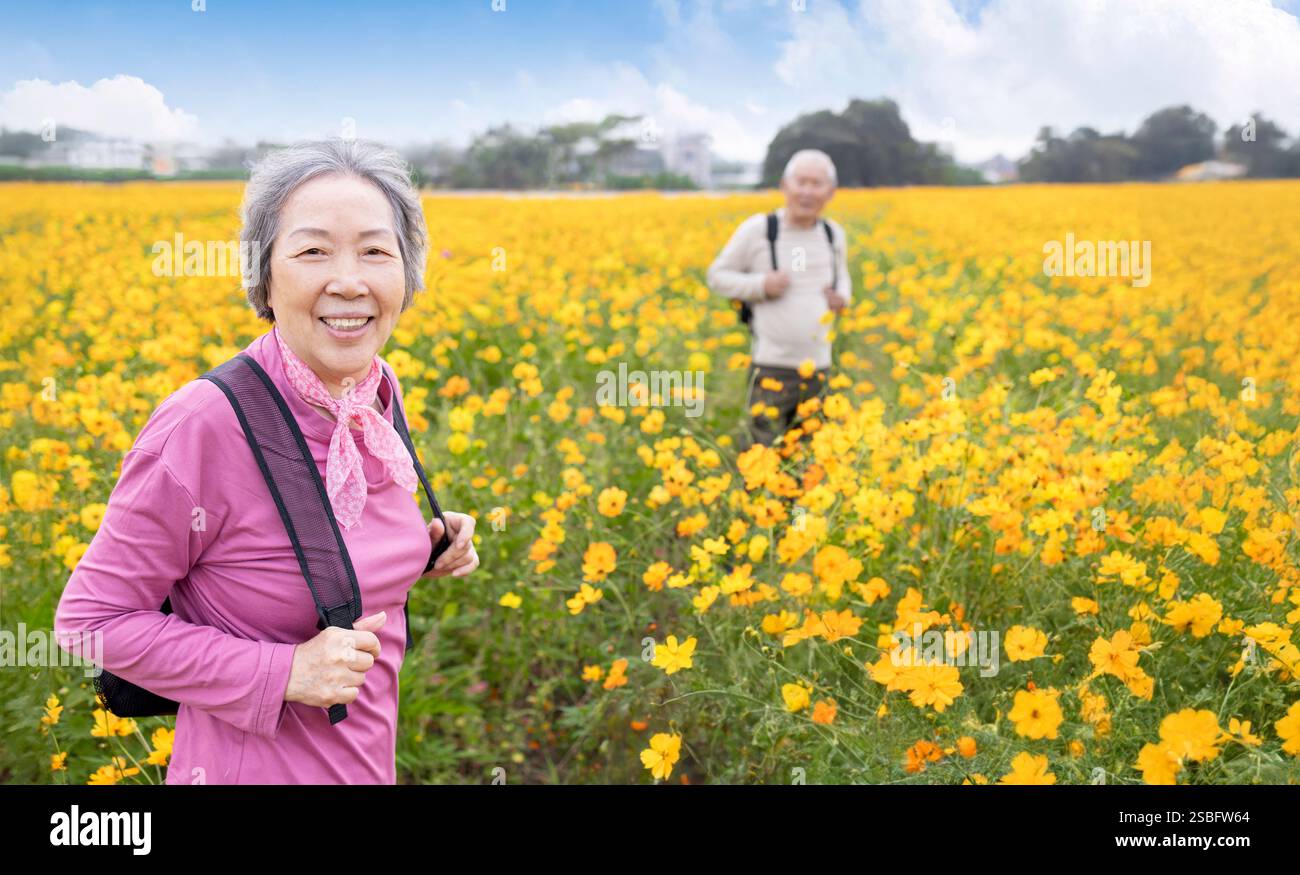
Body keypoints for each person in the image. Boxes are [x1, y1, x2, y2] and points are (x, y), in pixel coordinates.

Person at [54, 139, 479, 784]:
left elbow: (296, 562)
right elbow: (90, 624)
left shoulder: (372, 394)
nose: (349, 280)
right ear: (264, 277)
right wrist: (284, 673)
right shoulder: (204, 424)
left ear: (408, 275)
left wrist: (418, 555)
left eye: (375, 250)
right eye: (312, 251)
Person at [706, 148, 851, 449]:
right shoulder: (759, 229)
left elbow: (843, 277)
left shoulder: (832, 234)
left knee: (812, 466)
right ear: (784, 186)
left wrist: (842, 298)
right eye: (801, 182)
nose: (808, 191)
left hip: (820, 370)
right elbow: (717, 276)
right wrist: (761, 285)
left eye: (817, 183)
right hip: (772, 369)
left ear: (831, 192)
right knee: (764, 457)